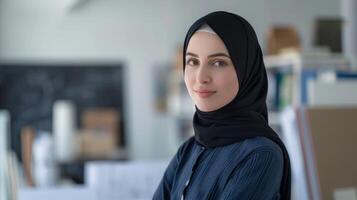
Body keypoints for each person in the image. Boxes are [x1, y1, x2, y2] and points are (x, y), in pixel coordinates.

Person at [153, 11, 291, 200]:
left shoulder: (261, 154)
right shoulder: (190, 148)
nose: (201, 78)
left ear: (246, 71)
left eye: (218, 63)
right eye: (193, 61)